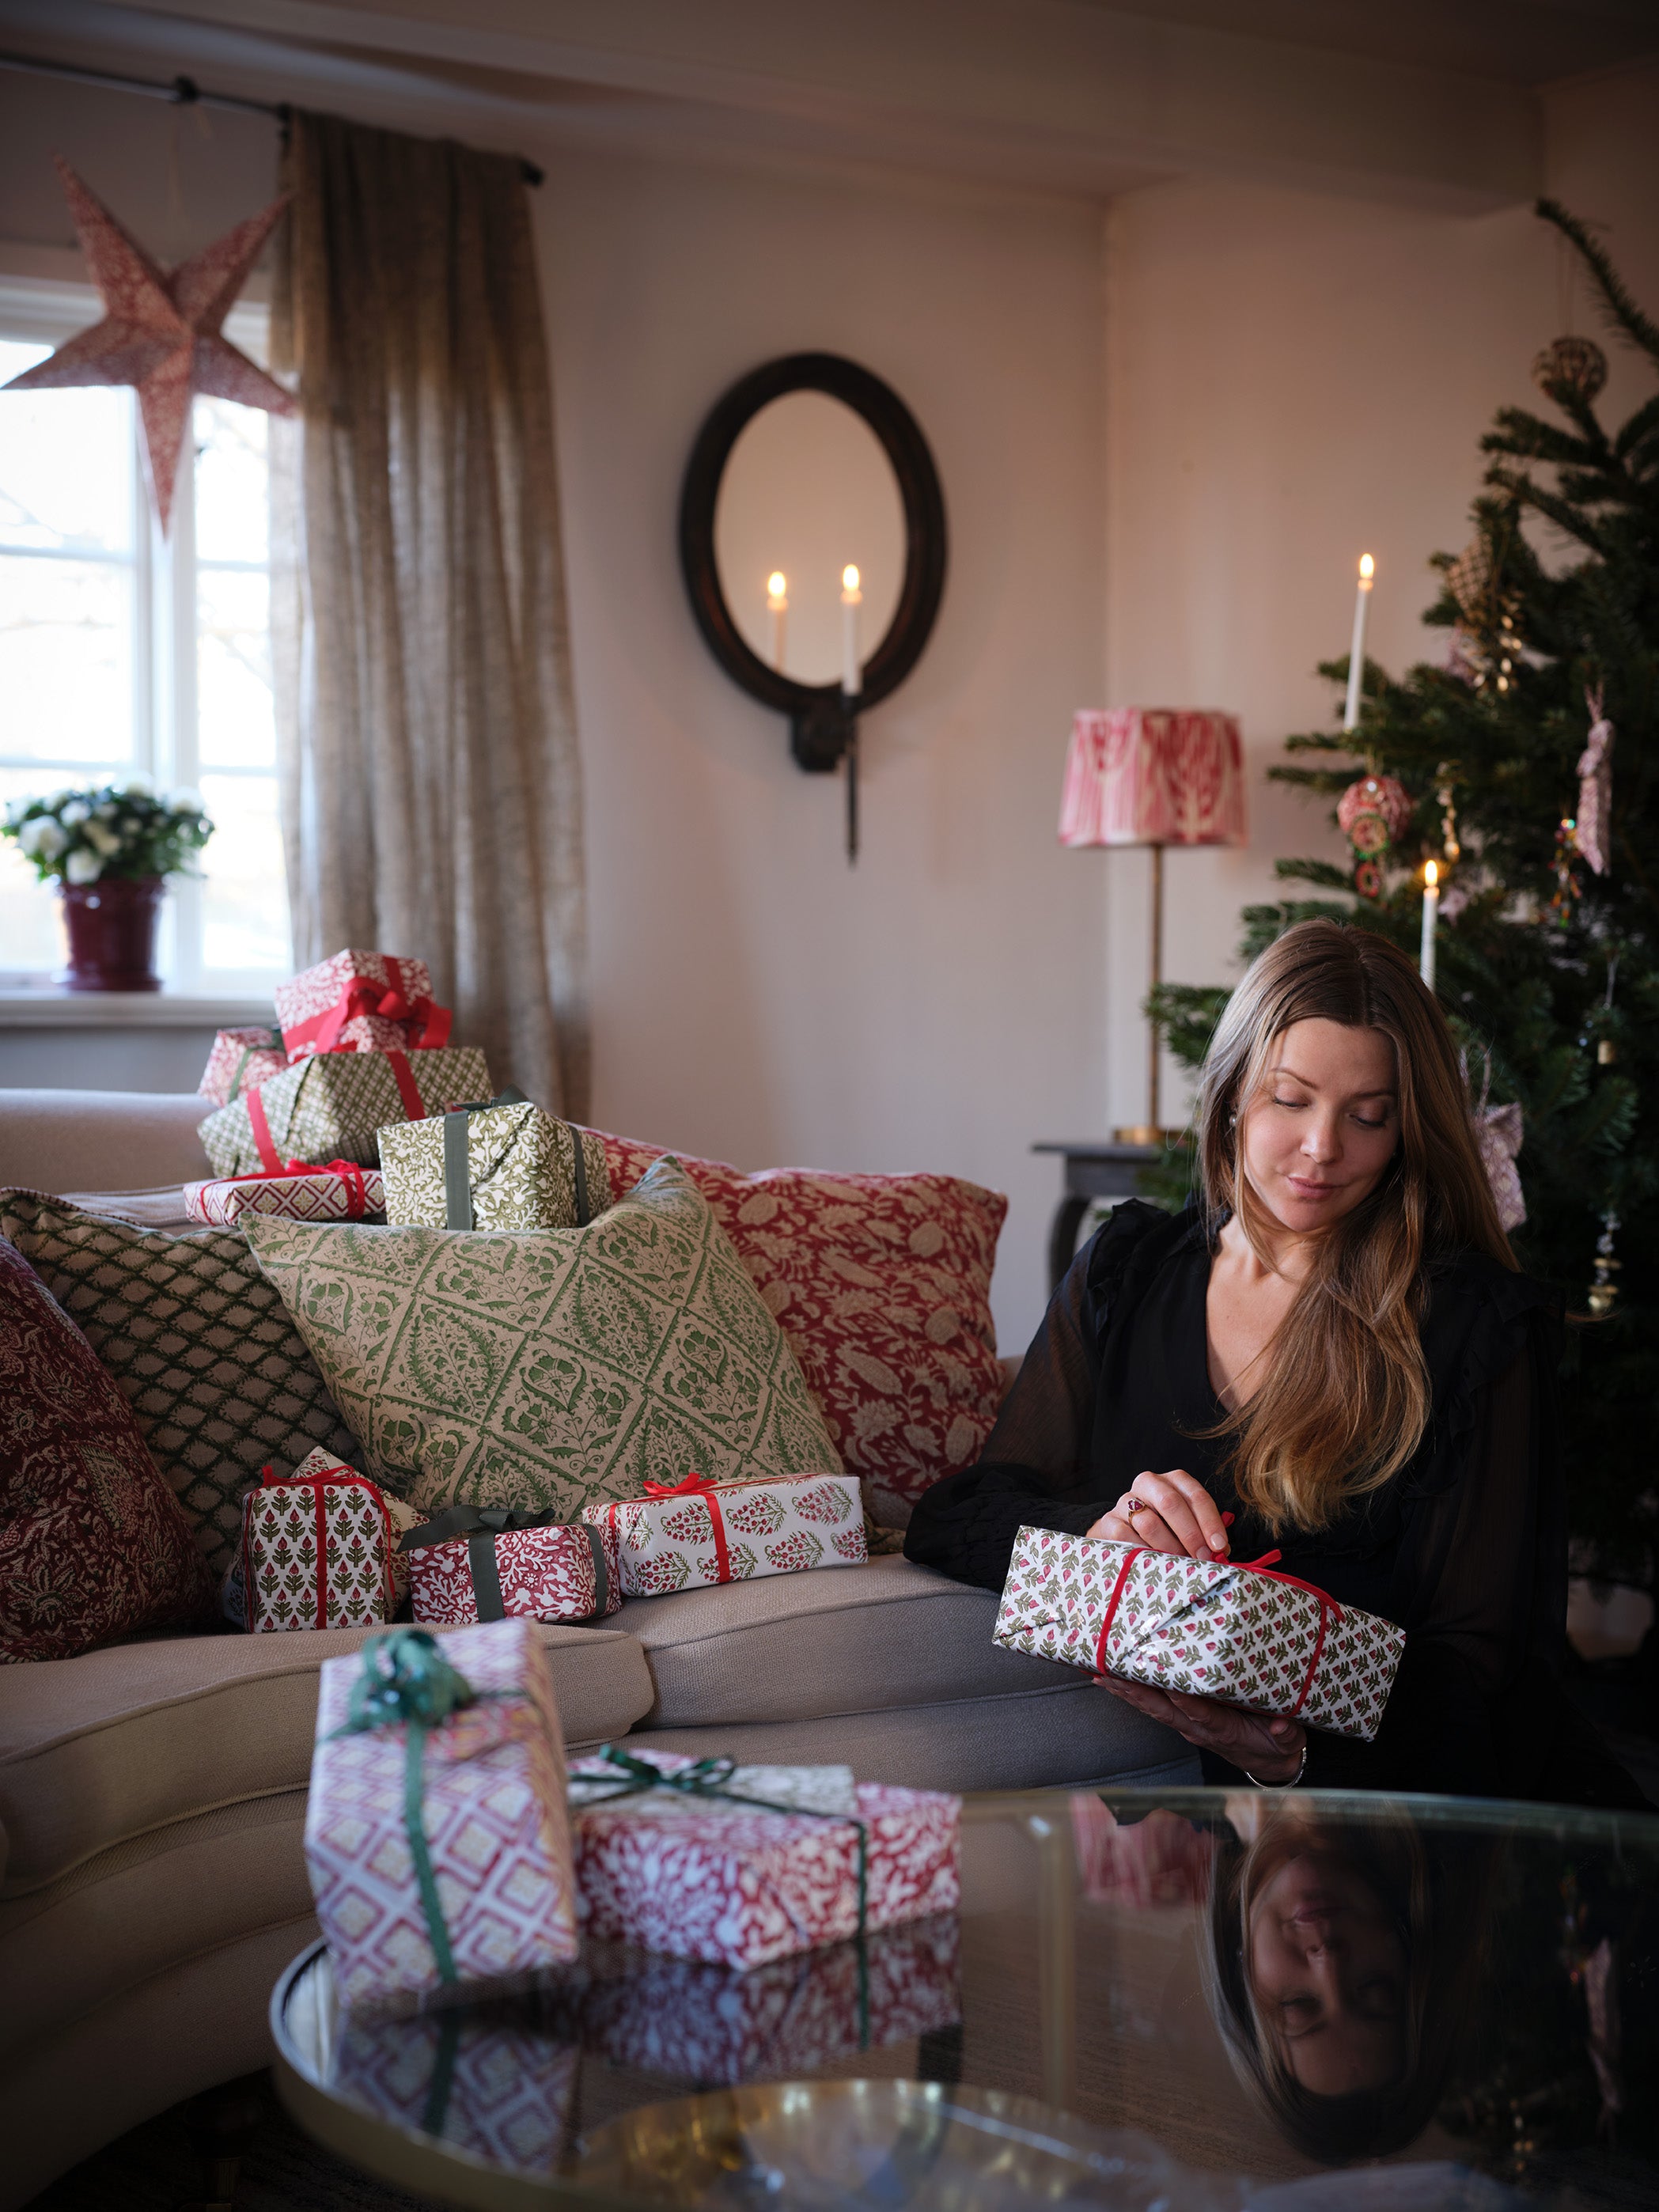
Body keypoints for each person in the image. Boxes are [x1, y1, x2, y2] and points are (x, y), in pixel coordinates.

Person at [907, 919, 1638, 1801]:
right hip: (1190, 1849)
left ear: (1408, 1129)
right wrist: (1101, 1537)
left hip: (1433, 1829)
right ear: (1232, 1095)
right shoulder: (1127, 1271)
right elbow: (958, 1516)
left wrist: (1289, 1757)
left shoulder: (1473, 1327)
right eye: (1291, 1101)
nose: (1324, 1148)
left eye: (1369, 1116)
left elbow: (1482, 1672)